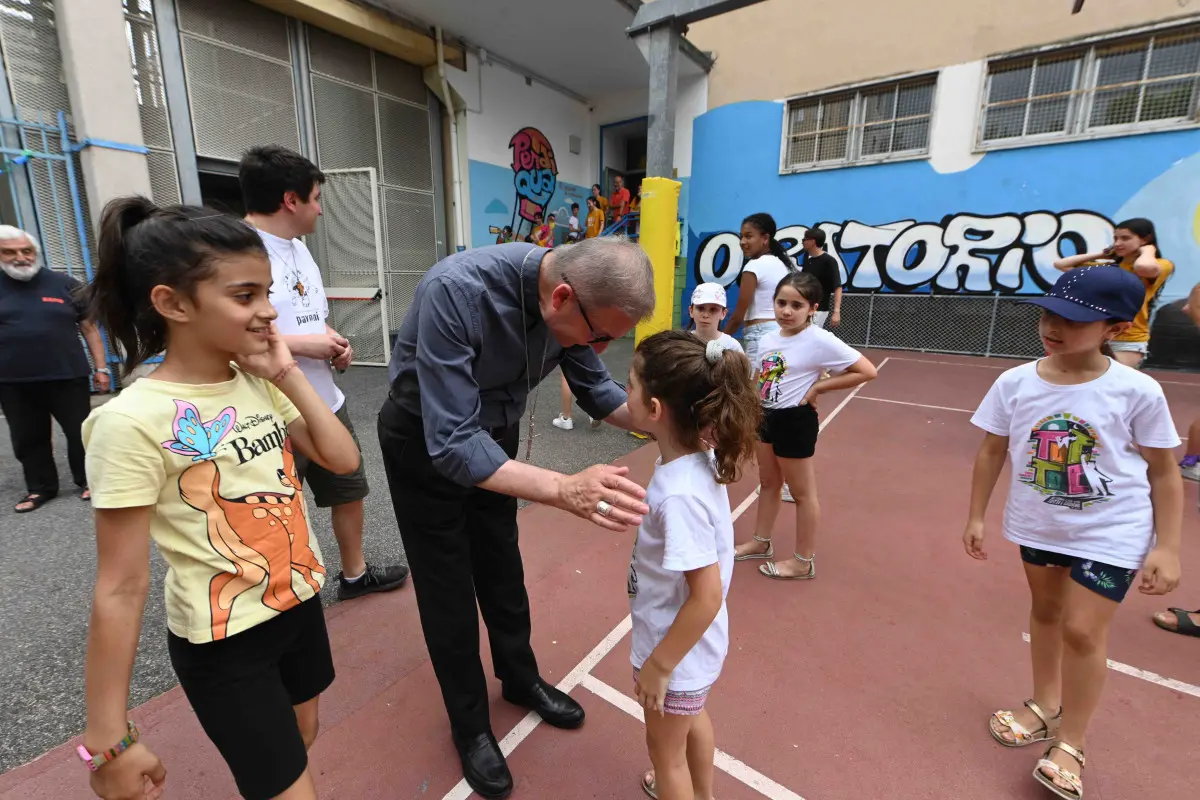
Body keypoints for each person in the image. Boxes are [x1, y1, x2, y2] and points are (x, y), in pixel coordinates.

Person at [79, 196, 362, 800]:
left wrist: (284, 371)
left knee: (302, 735)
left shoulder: (257, 381)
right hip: (227, 639)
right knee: (288, 783)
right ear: (173, 303)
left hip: (300, 602)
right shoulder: (130, 421)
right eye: (245, 296)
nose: (267, 312)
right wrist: (109, 740)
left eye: (267, 292)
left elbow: (342, 459)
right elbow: (121, 586)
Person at [378, 236, 656, 798]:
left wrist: (679, 426)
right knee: (448, 588)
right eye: (600, 336)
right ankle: (470, 724)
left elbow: (598, 391)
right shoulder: (456, 291)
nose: (599, 349)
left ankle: (519, 677)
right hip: (426, 442)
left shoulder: (576, 306)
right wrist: (562, 487)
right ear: (560, 297)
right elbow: (452, 442)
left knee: (502, 566)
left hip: (493, 440)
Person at [963, 265, 1182, 799]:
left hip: (1113, 530)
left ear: (1114, 327)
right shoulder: (1014, 381)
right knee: (1046, 612)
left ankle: (1072, 741)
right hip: (1040, 523)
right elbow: (992, 448)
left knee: (1083, 632)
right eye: (1049, 314)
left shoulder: (1136, 390)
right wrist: (975, 515)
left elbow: (1163, 471)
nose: (1054, 327)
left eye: (1074, 320)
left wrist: (1169, 546)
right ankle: (1044, 705)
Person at [240, 145, 409, 600]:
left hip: (326, 400)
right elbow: (231, 338)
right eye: (315, 198)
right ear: (290, 200)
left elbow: (304, 317)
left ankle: (353, 576)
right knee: (274, 510)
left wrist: (332, 340)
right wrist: (305, 345)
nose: (320, 208)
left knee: (348, 490)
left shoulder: (298, 248)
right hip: (271, 413)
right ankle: (278, 593)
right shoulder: (237, 252)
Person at [624, 331, 760, 800]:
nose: (625, 394)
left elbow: (706, 594)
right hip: (691, 652)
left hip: (674, 650)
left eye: (629, 387)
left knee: (666, 757)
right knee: (692, 722)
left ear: (656, 410)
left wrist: (660, 666)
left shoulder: (678, 494)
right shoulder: (694, 462)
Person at [732, 272, 878, 576]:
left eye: (796, 305)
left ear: (812, 308)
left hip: (794, 420)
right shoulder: (770, 337)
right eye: (781, 302)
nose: (786, 311)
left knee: (802, 494)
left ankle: (803, 560)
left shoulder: (820, 340)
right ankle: (761, 543)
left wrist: (817, 388)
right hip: (765, 416)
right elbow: (760, 377)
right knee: (769, 484)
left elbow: (866, 371)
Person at [0, 225, 111, 513]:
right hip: (13, 380)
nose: (20, 258)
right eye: (9, 252)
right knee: (28, 437)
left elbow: (90, 328)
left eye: (27, 251)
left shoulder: (65, 283)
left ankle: (89, 481)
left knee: (80, 433)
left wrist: (102, 368)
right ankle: (40, 488)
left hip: (67, 375)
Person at [722, 212, 796, 501]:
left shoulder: (755, 266)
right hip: (779, 335)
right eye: (741, 236)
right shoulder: (782, 265)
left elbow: (739, 313)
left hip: (759, 338)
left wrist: (724, 339)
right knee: (771, 402)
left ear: (765, 238)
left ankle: (773, 476)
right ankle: (784, 479)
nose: (743, 241)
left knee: (758, 405)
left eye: (749, 235)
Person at [1053, 217, 1173, 369]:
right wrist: (1101, 255)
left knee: (1114, 380)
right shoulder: (1110, 268)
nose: (1117, 243)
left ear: (1145, 239)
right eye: (1115, 238)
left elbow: (1143, 267)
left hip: (1128, 339)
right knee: (1085, 378)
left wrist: (1149, 249)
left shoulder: (1161, 265)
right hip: (1096, 334)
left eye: (1125, 238)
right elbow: (1062, 265)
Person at [797, 228, 842, 329]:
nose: (803, 242)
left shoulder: (829, 261)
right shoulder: (808, 261)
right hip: (805, 308)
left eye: (805, 239)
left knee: (810, 338)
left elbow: (837, 286)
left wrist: (836, 311)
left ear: (813, 241)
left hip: (819, 310)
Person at [687, 282, 743, 354]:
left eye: (713, 310)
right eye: (700, 308)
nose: (705, 315)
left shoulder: (732, 346)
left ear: (723, 313)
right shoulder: (682, 343)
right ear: (691, 311)